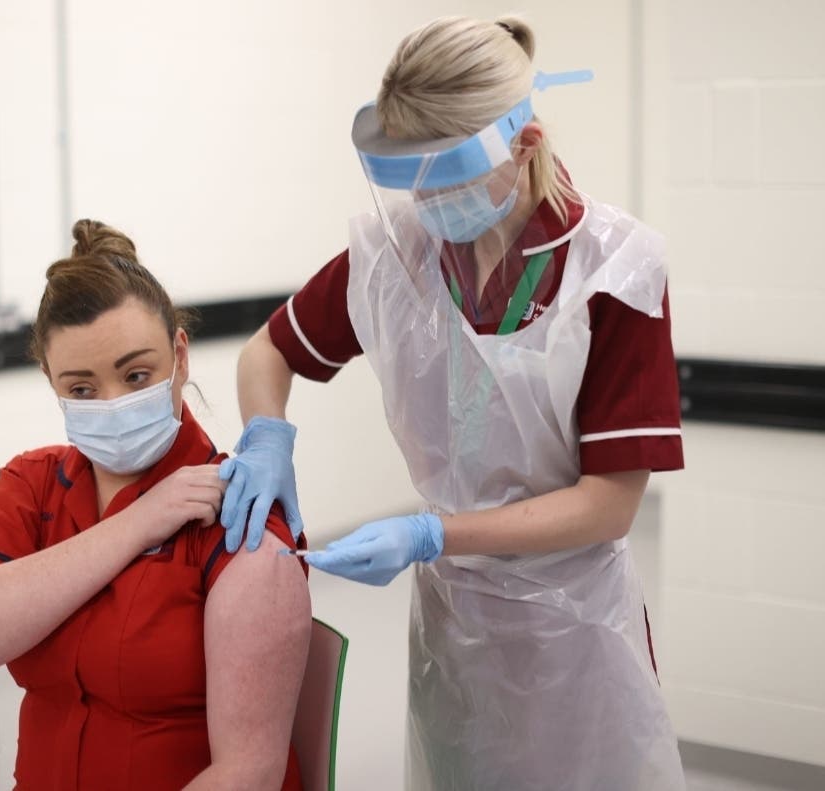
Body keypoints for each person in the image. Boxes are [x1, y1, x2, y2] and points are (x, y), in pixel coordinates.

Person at [217, 14, 687, 791]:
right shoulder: (396, 255)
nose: (426, 200)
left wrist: (433, 531)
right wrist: (267, 437)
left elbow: (607, 504)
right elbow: (267, 351)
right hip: (454, 621)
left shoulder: (614, 271)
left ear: (524, 143)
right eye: (409, 175)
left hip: (572, 624)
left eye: (447, 176)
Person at [0, 219, 312, 791]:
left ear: (180, 356)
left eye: (136, 375)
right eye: (81, 389)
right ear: (49, 380)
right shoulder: (34, 484)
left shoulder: (239, 522)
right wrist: (136, 524)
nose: (113, 403)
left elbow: (248, 774)